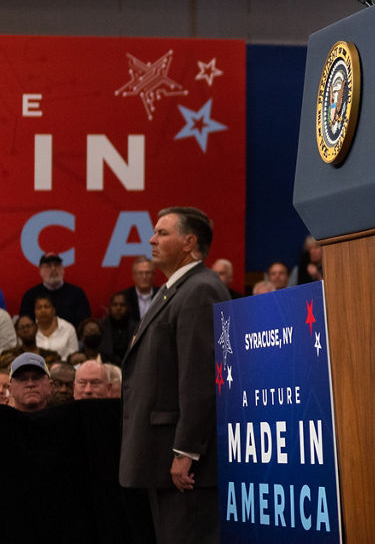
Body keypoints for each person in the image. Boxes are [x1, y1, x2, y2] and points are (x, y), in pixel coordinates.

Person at [120, 206, 230, 544]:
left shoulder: (200, 290)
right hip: (162, 456)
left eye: (162, 233)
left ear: (189, 242)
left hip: (184, 464)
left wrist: (186, 451)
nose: (151, 240)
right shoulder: (174, 290)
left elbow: (198, 380)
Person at [19, 253, 91, 328]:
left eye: (57, 265)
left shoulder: (77, 294)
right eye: (48, 266)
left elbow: (84, 324)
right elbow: (26, 326)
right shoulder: (30, 296)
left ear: (63, 269)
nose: (53, 269)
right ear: (40, 270)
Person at [33, 293, 79, 360]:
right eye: (39, 308)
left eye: (46, 307)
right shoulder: (30, 330)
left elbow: (75, 357)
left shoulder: (68, 328)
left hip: (63, 368)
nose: (43, 310)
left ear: (54, 310)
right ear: (34, 311)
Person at [100, 292, 138, 364]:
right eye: (115, 305)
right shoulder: (101, 326)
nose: (118, 308)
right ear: (110, 307)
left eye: (122, 305)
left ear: (128, 307)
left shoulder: (136, 327)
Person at [118, 258, 158, 323]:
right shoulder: (124, 297)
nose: (144, 276)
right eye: (140, 273)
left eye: (148, 273)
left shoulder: (162, 295)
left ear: (153, 275)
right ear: (133, 276)